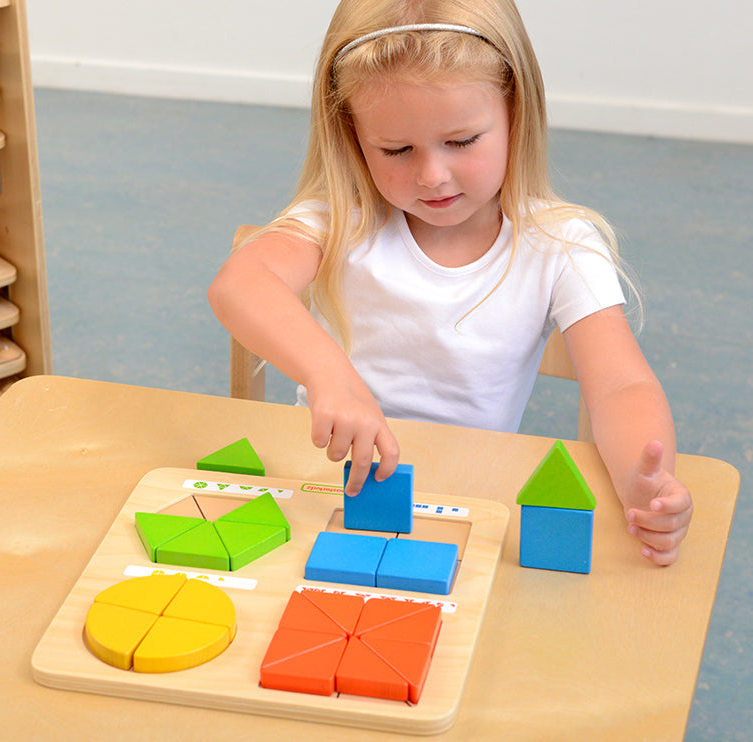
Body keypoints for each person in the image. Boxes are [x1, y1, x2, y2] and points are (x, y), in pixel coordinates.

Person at [208, 0, 693, 565]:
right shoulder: (344, 216)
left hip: (468, 498)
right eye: (396, 150)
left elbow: (620, 388)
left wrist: (644, 479)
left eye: (461, 141)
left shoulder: (560, 242)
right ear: (352, 136)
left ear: (517, 110)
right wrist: (329, 375)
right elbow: (241, 282)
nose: (432, 175)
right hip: (323, 488)